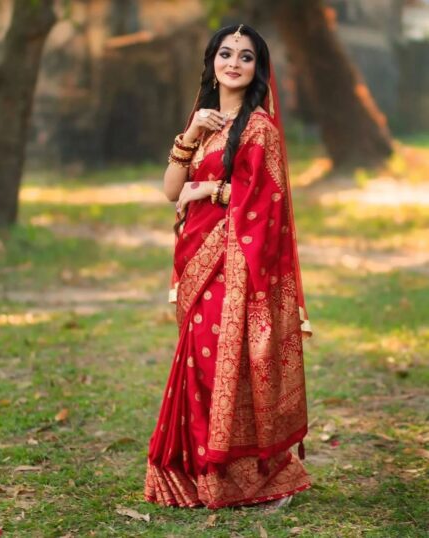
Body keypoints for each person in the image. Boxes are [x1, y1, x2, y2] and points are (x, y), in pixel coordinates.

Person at [144, 23, 312, 510]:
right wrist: (191, 133)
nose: (234, 63)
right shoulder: (205, 122)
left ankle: (244, 474)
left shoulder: (260, 130)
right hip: (196, 261)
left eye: (246, 56)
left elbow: (267, 203)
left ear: (258, 69)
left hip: (235, 265)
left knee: (225, 365)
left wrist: (208, 189)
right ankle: (198, 471)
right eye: (225, 53)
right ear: (212, 62)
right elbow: (171, 190)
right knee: (199, 364)